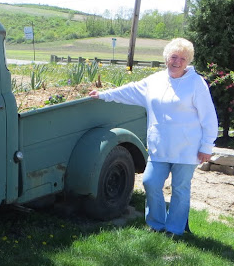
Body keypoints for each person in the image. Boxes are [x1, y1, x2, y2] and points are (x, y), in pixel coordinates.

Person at [88, 38, 218, 236]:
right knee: (150, 182)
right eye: (174, 57)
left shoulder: (196, 83)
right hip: (159, 146)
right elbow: (130, 91)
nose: (177, 61)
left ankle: (175, 229)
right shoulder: (155, 81)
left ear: (188, 61)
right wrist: (104, 94)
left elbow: (208, 116)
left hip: (187, 148)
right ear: (166, 58)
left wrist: (207, 146)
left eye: (183, 58)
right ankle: (157, 224)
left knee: (180, 189)